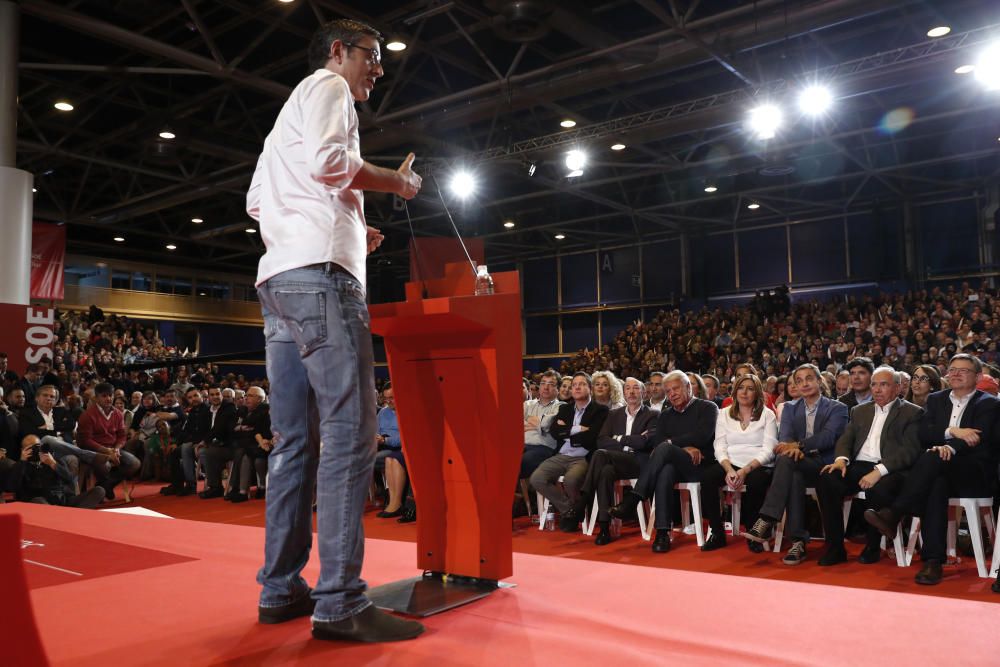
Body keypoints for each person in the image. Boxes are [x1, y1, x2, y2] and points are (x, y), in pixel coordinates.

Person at [248, 18, 424, 642]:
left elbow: (258, 202)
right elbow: (329, 162)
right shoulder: (327, 88)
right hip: (321, 281)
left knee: (296, 443)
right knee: (351, 434)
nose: (378, 68)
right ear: (338, 52)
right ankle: (341, 601)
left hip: (281, 281)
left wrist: (350, 225)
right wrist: (394, 184)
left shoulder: (283, 121)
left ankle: (280, 589)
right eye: (371, 56)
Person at [865, 354, 1000, 585]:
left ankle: (896, 512)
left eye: (963, 370)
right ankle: (933, 562)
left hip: (973, 473)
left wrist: (949, 448)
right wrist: (952, 432)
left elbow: (977, 437)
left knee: (933, 457)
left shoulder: (988, 403)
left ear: (978, 377)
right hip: (939, 471)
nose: (955, 374)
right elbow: (923, 433)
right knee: (935, 482)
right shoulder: (936, 400)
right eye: (952, 369)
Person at [815, 367, 922, 566]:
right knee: (827, 478)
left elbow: (910, 451)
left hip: (891, 469)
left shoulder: (911, 412)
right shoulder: (859, 411)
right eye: (874, 384)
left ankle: (873, 546)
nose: (877, 389)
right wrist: (841, 460)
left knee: (879, 487)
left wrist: (879, 471)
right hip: (859, 465)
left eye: (884, 384)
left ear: (897, 388)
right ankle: (835, 548)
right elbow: (846, 439)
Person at [743, 364, 849, 565]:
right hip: (796, 464)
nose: (804, 383)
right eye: (799, 381)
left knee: (788, 461)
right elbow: (784, 440)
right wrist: (792, 448)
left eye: (809, 378)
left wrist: (799, 446)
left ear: (819, 381)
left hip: (825, 467)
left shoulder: (838, 408)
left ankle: (768, 519)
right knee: (792, 472)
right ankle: (797, 542)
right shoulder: (790, 409)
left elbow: (828, 437)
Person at [609, 370, 719, 553]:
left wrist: (673, 444)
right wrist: (682, 447)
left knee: (666, 450)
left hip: (701, 466)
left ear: (688, 387)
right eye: (668, 391)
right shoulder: (666, 414)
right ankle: (662, 533)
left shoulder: (707, 407)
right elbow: (657, 441)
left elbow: (702, 436)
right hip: (675, 466)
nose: (672, 394)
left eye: (676, 389)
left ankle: (635, 498)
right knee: (665, 470)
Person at [577, 377, 658, 545]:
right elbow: (601, 440)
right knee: (605, 471)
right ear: (623, 393)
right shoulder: (614, 414)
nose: (631, 392)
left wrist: (618, 438)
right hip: (617, 460)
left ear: (643, 392)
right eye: (627, 388)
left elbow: (645, 442)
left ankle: (582, 501)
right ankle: (605, 528)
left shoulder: (653, 414)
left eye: (636, 388)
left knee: (600, 455)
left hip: (638, 463)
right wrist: (631, 440)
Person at [700, 374, 777, 551]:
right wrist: (728, 468)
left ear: (757, 393)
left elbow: (769, 450)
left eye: (750, 389)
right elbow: (719, 445)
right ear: (735, 392)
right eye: (741, 388)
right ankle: (717, 533)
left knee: (757, 482)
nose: (744, 392)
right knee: (707, 478)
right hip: (730, 462)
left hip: (757, 464)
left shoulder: (768, 415)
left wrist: (744, 471)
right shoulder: (724, 414)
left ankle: (753, 533)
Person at [530, 372, 609, 532]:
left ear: (590, 388)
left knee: (571, 481)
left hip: (582, 457)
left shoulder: (600, 410)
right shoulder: (565, 409)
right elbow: (554, 432)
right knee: (537, 478)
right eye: (574, 385)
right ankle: (571, 511)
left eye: (582, 384)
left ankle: (571, 514)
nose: (577, 387)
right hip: (561, 455)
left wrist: (566, 432)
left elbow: (592, 437)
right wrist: (579, 429)